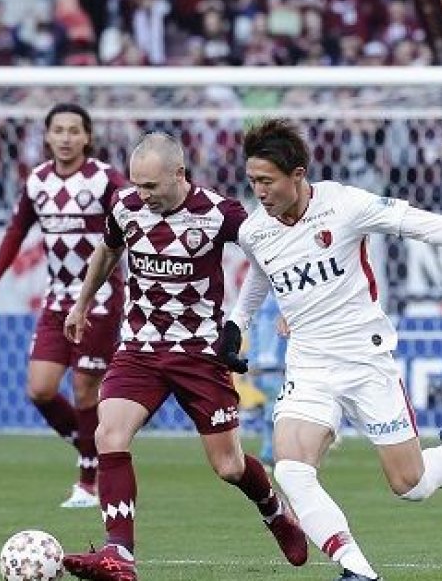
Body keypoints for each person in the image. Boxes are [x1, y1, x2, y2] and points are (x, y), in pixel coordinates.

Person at [224, 119, 442, 581]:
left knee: (411, 484)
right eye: (252, 182)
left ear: (298, 174)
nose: (259, 192)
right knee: (291, 469)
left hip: (366, 361)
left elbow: (421, 225)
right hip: (309, 364)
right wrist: (235, 323)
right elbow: (261, 276)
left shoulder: (345, 205)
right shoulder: (254, 231)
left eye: (267, 181)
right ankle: (357, 569)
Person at [60, 132, 308, 581]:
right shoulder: (125, 205)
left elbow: (269, 256)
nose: (143, 195)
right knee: (109, 436)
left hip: (200, 355)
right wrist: (82, 303)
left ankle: (275, 513)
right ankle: (120, 553)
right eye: (137, 185)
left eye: (151, 187)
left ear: (179, 175)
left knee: (229, 467)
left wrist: (289, 307)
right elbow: (109, 250)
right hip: (139, 349)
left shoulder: (219, 213)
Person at [0, 103, 127, 508]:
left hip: (99, 297)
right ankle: (91, 450)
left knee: (84, 389)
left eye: (73, 130)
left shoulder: (104, 180)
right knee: (41, 389)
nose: (65, 137)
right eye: (57, 130)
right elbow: (15, 231)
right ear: (47, 136)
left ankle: (88, 482)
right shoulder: (37, 181)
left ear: (87, 137)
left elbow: (133, 225)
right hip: (57, 298)